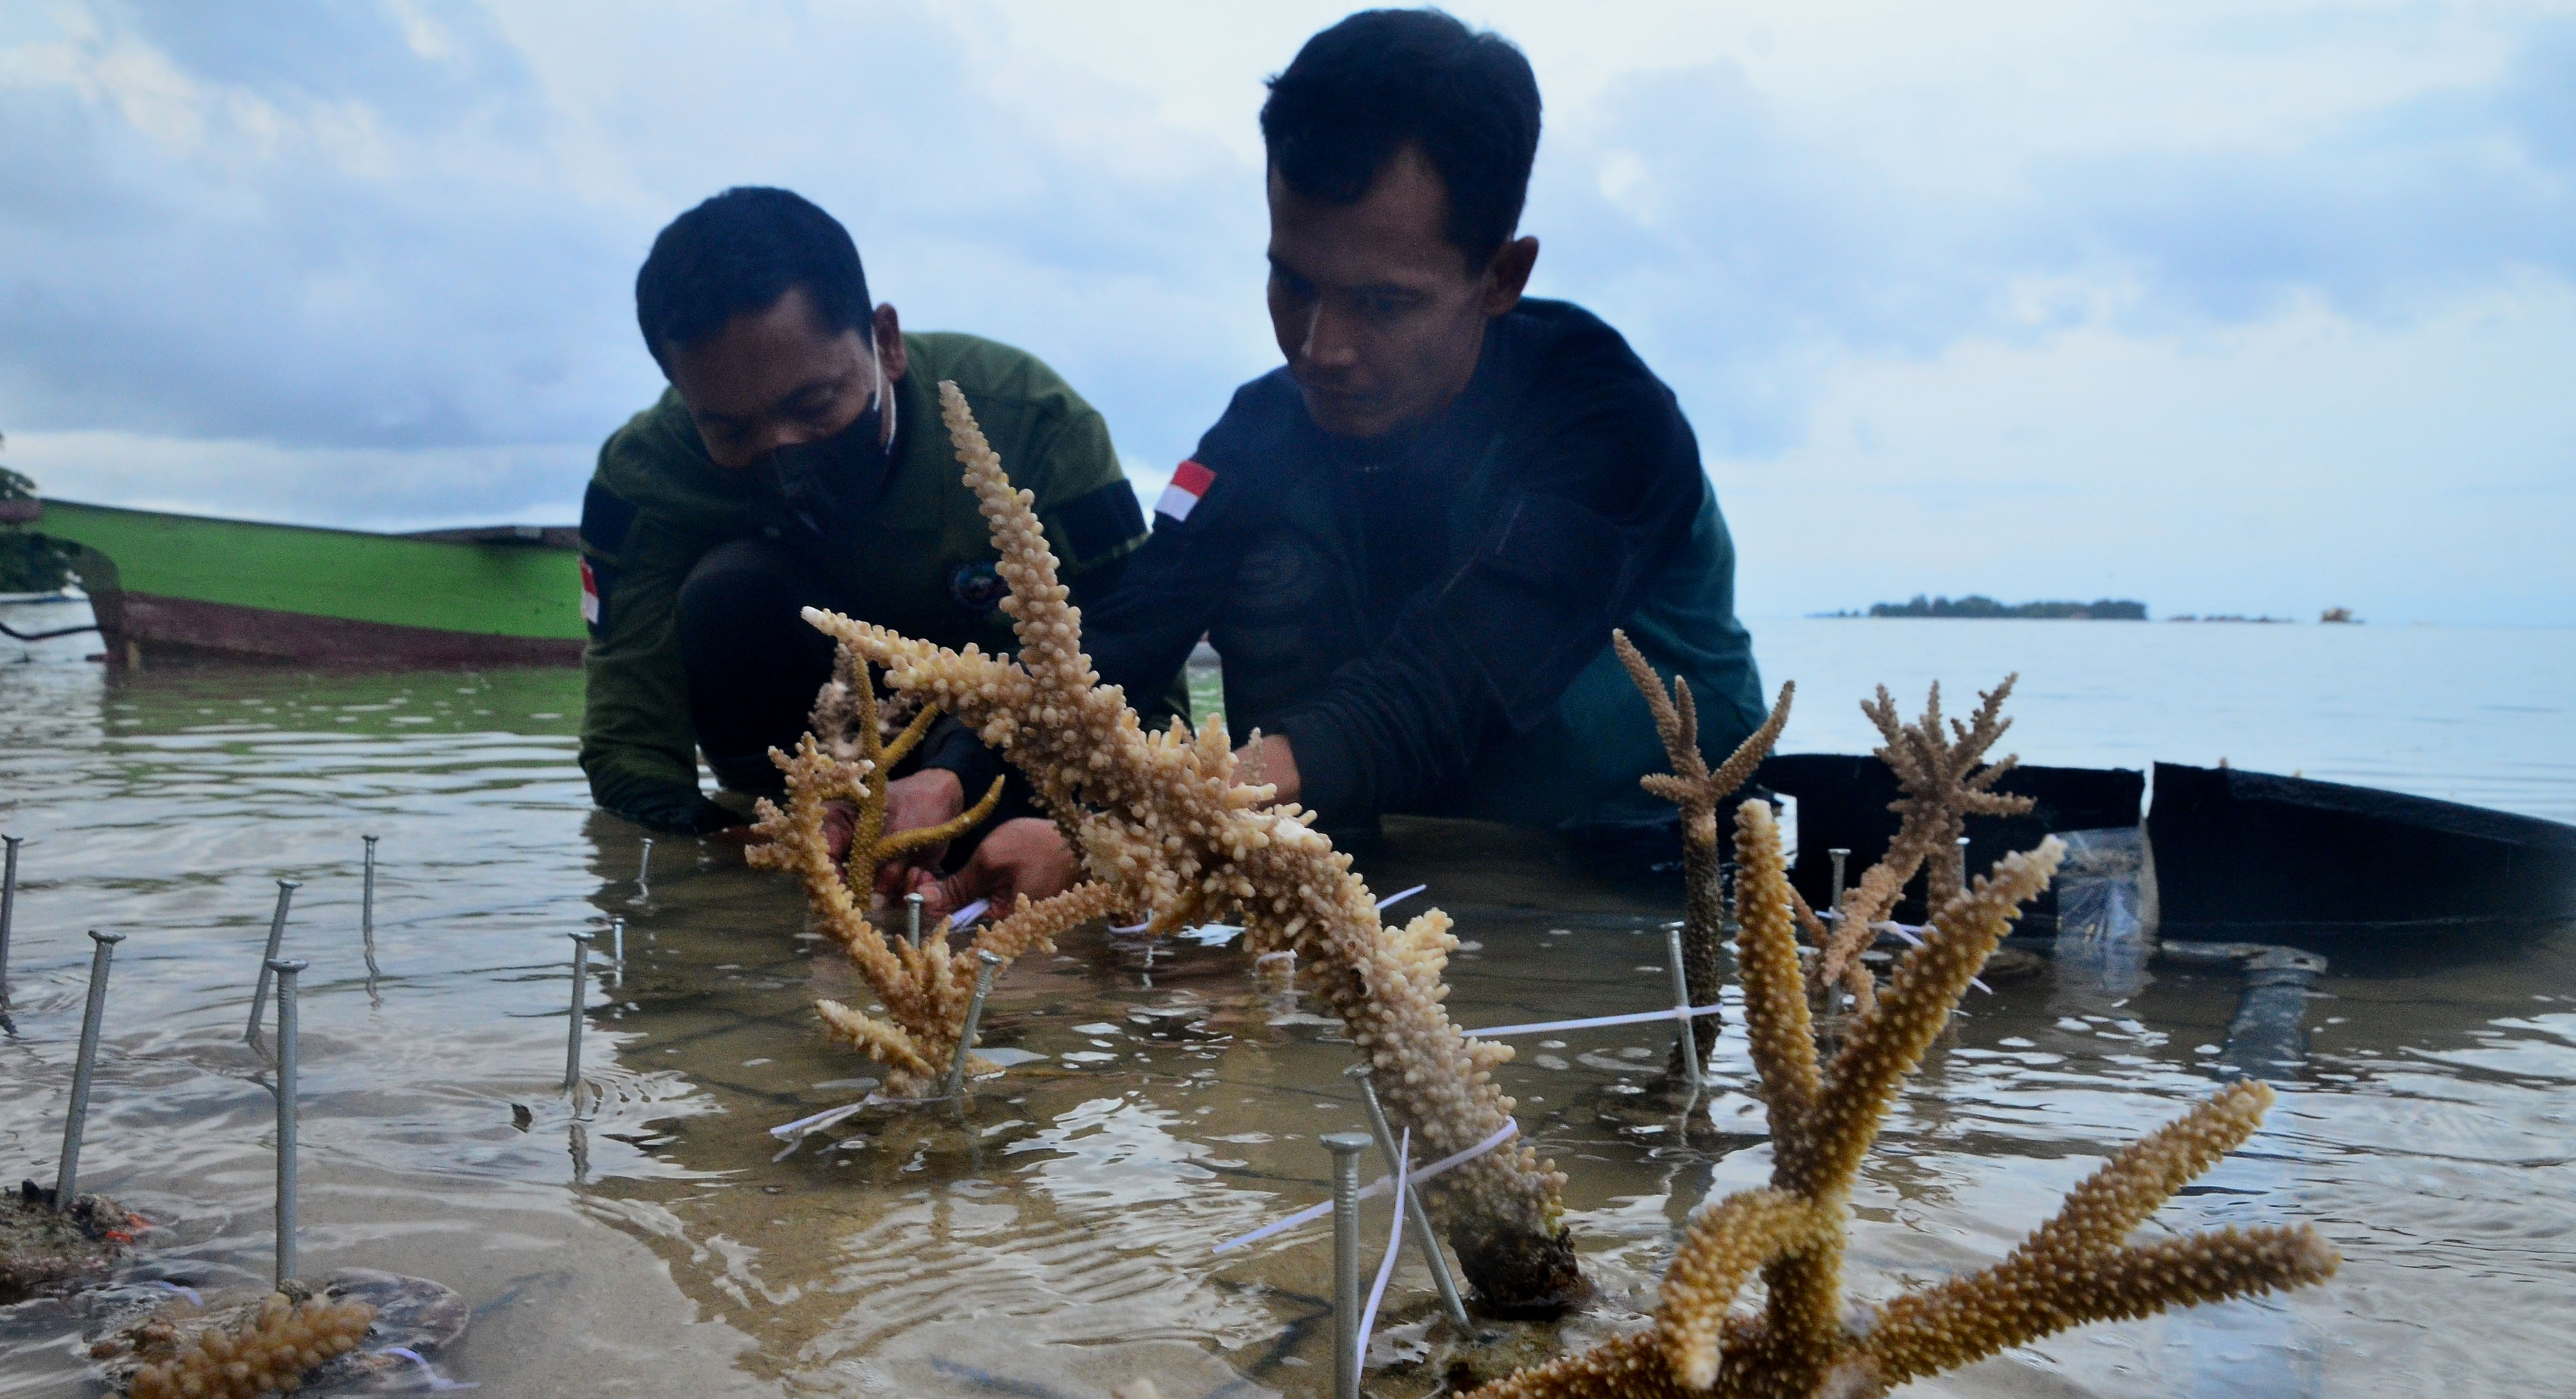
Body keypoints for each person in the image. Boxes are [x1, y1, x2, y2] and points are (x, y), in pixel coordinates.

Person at [921, 8, 1767, 912]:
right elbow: (1124, 632)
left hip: (1645, 877)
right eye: (1292, 281)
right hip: (1402, 860)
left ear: (1500, 278)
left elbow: (1441, 688)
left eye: (1383, 302)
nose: (1319, 350)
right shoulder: (1263, 424)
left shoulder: (1610, 424)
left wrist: (1126, 836)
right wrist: (949, 781)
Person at [577, 187, 1149, 876]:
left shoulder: (1036, 426)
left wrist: (990, 790)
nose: (785, 453)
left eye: (814, 405)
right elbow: (628, 739)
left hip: (1011, 764)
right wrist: (721, 862)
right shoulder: (644, 478)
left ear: (886, 342)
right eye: (729, 430)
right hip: (805, 765)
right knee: (726, 592)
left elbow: (1132, 664)